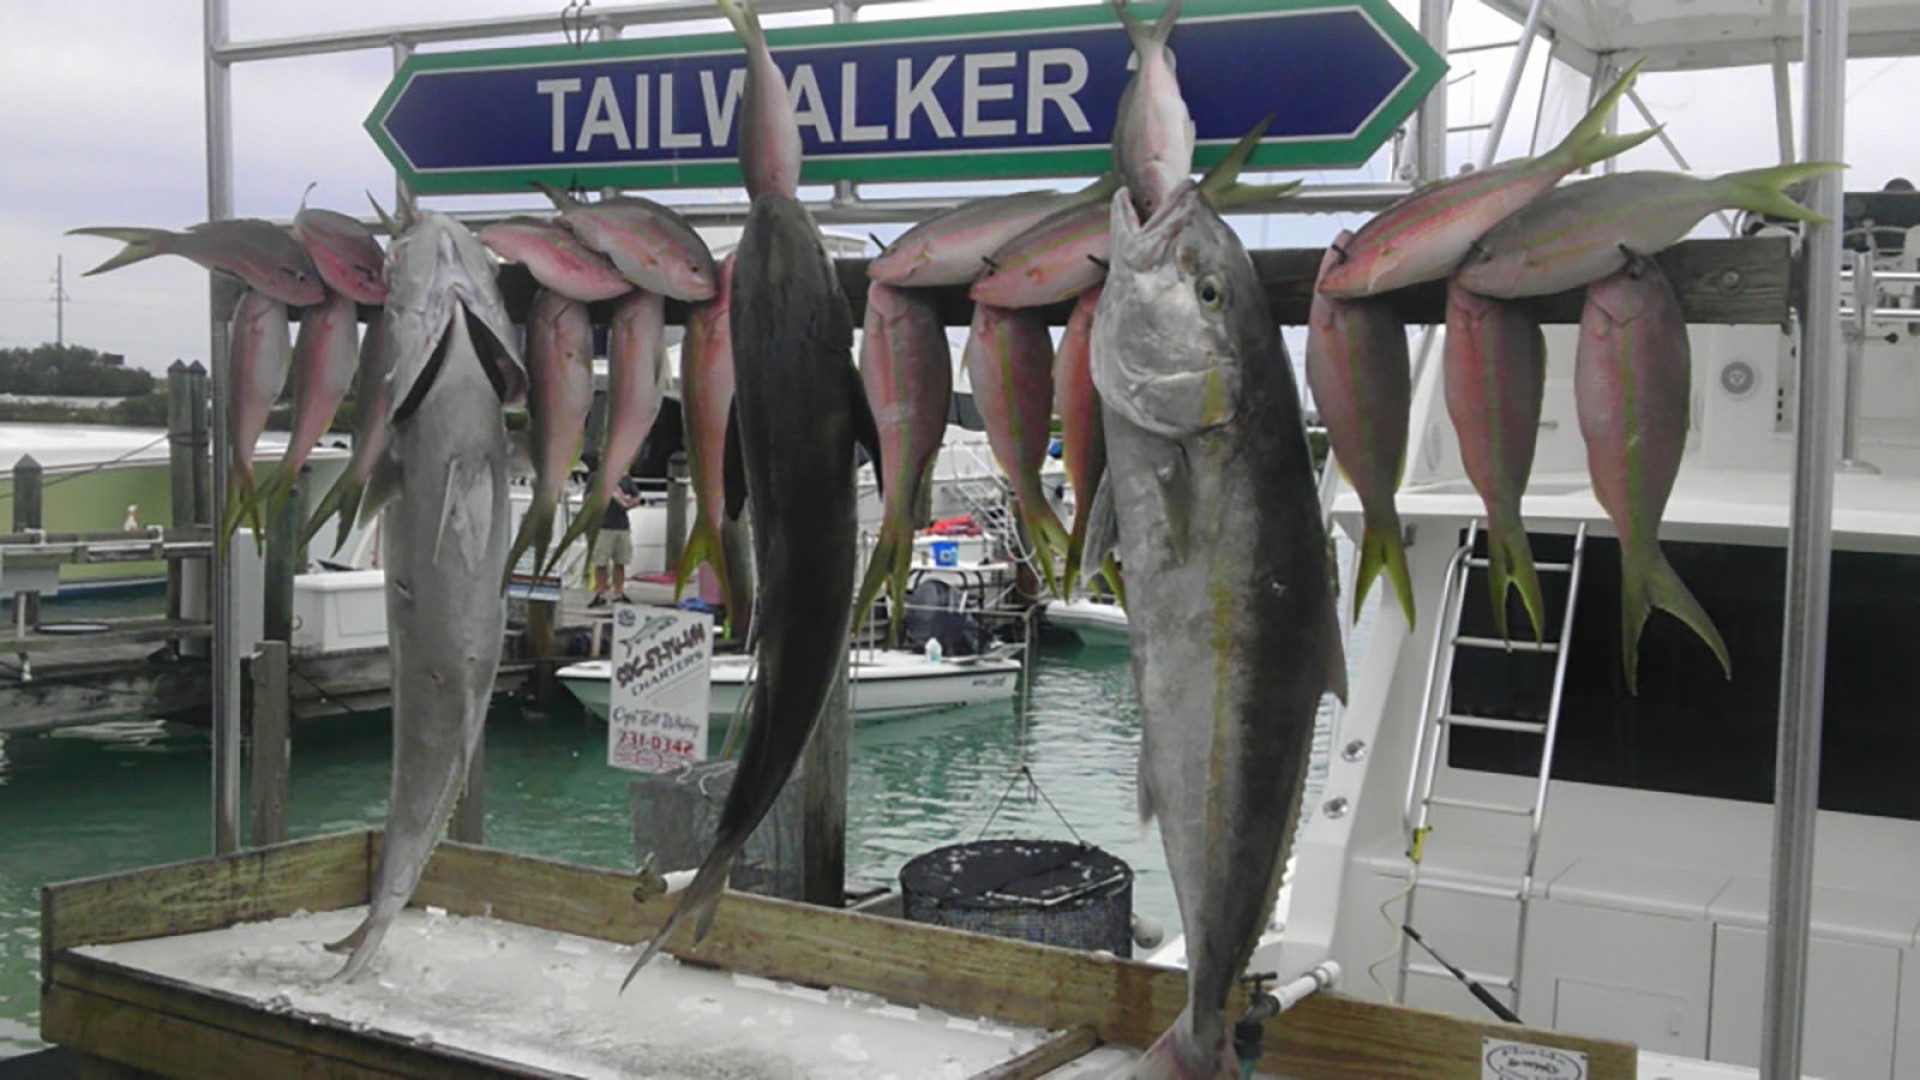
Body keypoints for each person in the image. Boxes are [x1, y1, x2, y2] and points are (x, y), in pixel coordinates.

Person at [589, 471, 643, 608]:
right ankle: (600, 594)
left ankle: (618, 593)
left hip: (622, 527)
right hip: (602, 527)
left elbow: (637, 497)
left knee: (620, 562)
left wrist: (629, 502)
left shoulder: (625, 479)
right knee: (600, 563)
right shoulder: (596, 477)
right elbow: (586, 499)